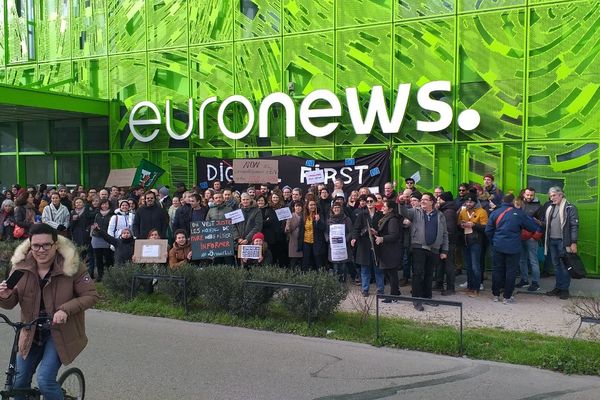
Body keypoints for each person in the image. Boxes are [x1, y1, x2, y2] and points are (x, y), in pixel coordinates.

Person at [0, 223, 98, 400]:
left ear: (55, 245)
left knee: (45, 380)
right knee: (18, 383)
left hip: (59, 331)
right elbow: (10, 302)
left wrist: (65, 310)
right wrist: (5, 295)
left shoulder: (72, 265)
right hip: (31, 332)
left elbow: (91, 295)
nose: (41, 249)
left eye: (47, 245)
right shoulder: (20, 267)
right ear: (30, 245)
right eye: (36, 245)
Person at [485, 194, 540, 304]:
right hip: (513, 247)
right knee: (511, 271)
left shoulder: (495, 212)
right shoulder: (519, 214)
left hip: (498, 246)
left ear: (502, 201)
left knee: (497, 270)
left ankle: (495, 295)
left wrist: (494, 241)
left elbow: (488, 231)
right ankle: (507, 297)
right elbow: (532, 227)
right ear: (512, 202)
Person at [399, 192, 449, 312]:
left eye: (426, 199)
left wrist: (445, 250)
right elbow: (403, 212)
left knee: (429, 274)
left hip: (434, 249)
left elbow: (445, 233)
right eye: (422, 199)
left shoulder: (440, 215)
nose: (423, 201)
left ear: (432, 201)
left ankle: (427, 297)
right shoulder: (416, 211)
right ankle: (416, 299)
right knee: (418, 273)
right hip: (419, 247)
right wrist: (401, 202)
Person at [543, 187, 579, 300]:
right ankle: (558, 287)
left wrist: (573, 242)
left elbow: (574, 226)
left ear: (561, 195)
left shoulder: (570, 208)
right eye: (550, 196)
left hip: (564, 242)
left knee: (565, 266)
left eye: (554, 195)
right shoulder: (550, 208)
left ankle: (564, 289)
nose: (552, 198)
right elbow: (547, 225)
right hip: (552, 241)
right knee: (556, 266)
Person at [351, 194, 384, 297]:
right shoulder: (362, 214)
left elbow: (383, 229)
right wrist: (354, 238)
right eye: (367, 201)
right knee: (365, 269)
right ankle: (365, 289)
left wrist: (377, 232)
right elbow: (356, 228)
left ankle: (380, 290)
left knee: (378, 269)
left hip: (376, 244)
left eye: (371, 201)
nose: (369, 203)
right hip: (364, 245)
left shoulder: (380, 215)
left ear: (375, 202)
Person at [457, 193, 488, 297]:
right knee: (468, 266)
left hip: (476, 241)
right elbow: (458, 225)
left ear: (475, 202)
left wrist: (474, 225)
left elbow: (485, 227)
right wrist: (461, 225)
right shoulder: (462, 211)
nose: (469, 203)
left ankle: (476, 288)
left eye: (471, 202)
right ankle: (470, 286)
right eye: (467, 202)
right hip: (465, 241)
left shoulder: (482, 211)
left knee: (475, 266)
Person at [373, 200, 403, 302]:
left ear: (390, 209)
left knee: (391, 273)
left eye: (384, 206)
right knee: (389, 272)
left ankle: (393, 296)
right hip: (387, 250)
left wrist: (382, 239)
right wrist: (377, 232)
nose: (382, 208)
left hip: (391, 250)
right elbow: (385, 232)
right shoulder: (387, 218)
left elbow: (394, 235)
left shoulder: (392, 220)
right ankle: (396, 292)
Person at [518, 187, 543, 292]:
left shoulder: (538, 207)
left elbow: (542, 222)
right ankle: (524, 280)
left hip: (532, 238)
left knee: (533, 261)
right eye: (527, 195)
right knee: (521, 260)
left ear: (534, 195)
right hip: (520, 237)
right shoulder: (519, 204)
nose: (529, 197)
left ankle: (535, 283)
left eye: (531, 195)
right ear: (524, 194)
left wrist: (536, 235)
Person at [435, 191, 458, 296]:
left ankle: (450, 287)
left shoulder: (448, 212)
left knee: (448, 265)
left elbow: (449, 229)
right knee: (440, 264)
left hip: (448, 242)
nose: (438, 200)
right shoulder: (444, 210)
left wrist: (443, 242)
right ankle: (439, 283)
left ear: (445, 200)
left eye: (440, 199)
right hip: (444, 242)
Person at [326, 202, 353, 282]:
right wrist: (328, 239)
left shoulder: (346, 219)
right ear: (332, 209)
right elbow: (326, 232)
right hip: (333, 247)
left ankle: (343, 281)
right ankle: (336, 282)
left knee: (343, 265)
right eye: (334, 208)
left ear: (341, 209)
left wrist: (345, 239)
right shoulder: (329, 220)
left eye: (338, 207)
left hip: (344, 246)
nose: (336, 209)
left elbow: (351, 231)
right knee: (335, 265)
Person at [298, 199, 326, 271]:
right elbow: (301, 230)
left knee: (318, 259)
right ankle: (305, 276)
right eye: (311, 205)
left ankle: (321, 276)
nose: (313, 206)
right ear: (307, 206)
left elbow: (323, 228)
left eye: (314, 205)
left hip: (316, 241)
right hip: (306, 241)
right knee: (306, 260)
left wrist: (318, 221)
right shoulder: (304, 216)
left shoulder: (319, 215)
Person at [90, 199, 114, 281]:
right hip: (97, 238)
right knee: (98, 258)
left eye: (106, 204)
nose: (104, 206)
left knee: (108, 258)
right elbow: (95, 224)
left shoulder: (112, 215)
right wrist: (95, 228)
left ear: (109, 205)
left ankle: (109, 275)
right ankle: (100, 275)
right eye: (103, 204)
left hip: (107, 238)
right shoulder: (97, 215)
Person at [285, 200, 304, 269]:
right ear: (294, 207)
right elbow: (287, 227)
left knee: (301, 260)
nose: (298, 208)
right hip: (293, 240)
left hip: (302, 240)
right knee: (293, 259)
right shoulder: (291, 216)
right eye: (296, 206)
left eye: (300, 206)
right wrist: (287, 229)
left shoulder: (304, 215)